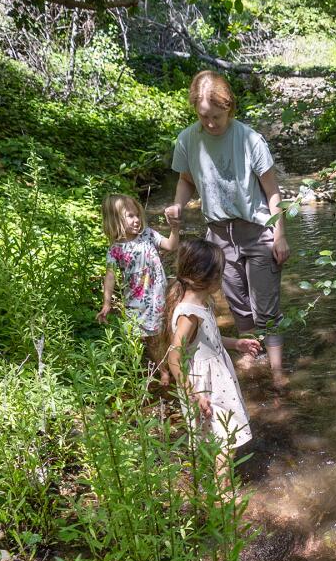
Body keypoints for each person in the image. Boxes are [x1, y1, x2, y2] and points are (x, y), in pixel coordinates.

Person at [163, 71, 291, 392]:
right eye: (203, 116)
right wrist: (178, 206)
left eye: (216, 117)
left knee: (266, 308)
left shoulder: (249, 140)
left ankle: (276, 375)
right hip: (219, 235)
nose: (210, 123)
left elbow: (272, 192)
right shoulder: (187, 139)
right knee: (238, 306)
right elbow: (186, 181)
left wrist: (280, 235)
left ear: (229, 108)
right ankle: (251, 362)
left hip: (258, 231)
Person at [164, 241, 262, 481]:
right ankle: (223, 490)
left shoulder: (202, 304)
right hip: (205, 386)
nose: (223, 275)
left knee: (220, 436)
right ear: (203, 277)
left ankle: (213, 486)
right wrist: (193, 393)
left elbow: (208, 339)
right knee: (225, 440)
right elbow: (173, 356)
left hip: (216, 381)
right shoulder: (189, 314)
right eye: (220, 271)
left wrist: (236, 344)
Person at [100, 192, 176, 369]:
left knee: (166, 330)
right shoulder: (115, 250)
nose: (136, 220)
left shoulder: (148, 235)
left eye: (137, 215)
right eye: (130, 216)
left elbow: (171, 246)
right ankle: (161, 369)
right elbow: (110, 276)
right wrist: (106, 303)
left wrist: (175, 229)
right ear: (115, 220)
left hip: (158, 295)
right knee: (148, 338)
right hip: (136, 301)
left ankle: (174, 364)